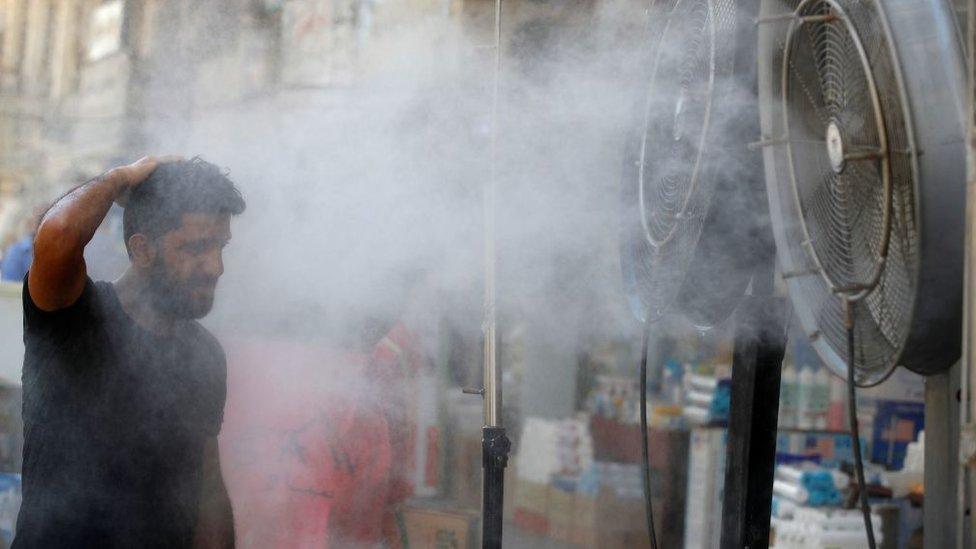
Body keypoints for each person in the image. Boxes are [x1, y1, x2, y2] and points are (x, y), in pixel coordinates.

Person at [14, 156, 245, 548]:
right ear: (142, 249)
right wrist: (122, 177)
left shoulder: (205, 355)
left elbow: (208, 491)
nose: (216, 267)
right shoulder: (75, 317)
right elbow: (58, 233)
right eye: (196, 248)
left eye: (220, 246)